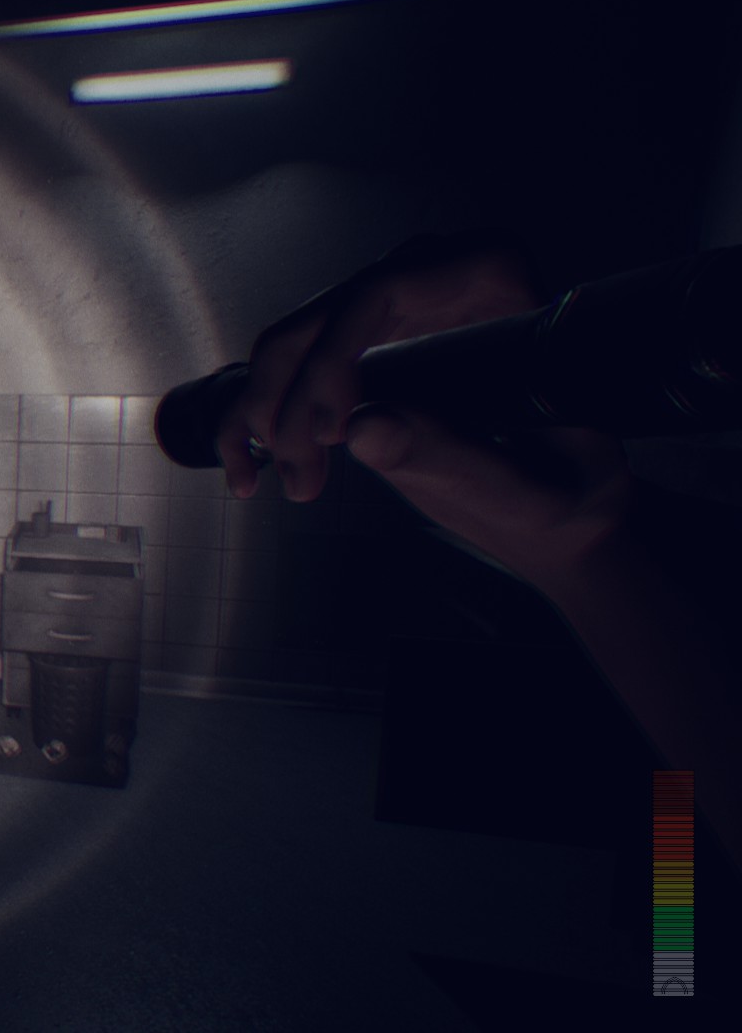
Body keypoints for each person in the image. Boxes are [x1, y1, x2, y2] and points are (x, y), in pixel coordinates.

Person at [211, 232, 741, 867]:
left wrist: (586, 554)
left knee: (672, 894)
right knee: (672, 891)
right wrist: (588, 550)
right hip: (675, 828)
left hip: (670, 831)